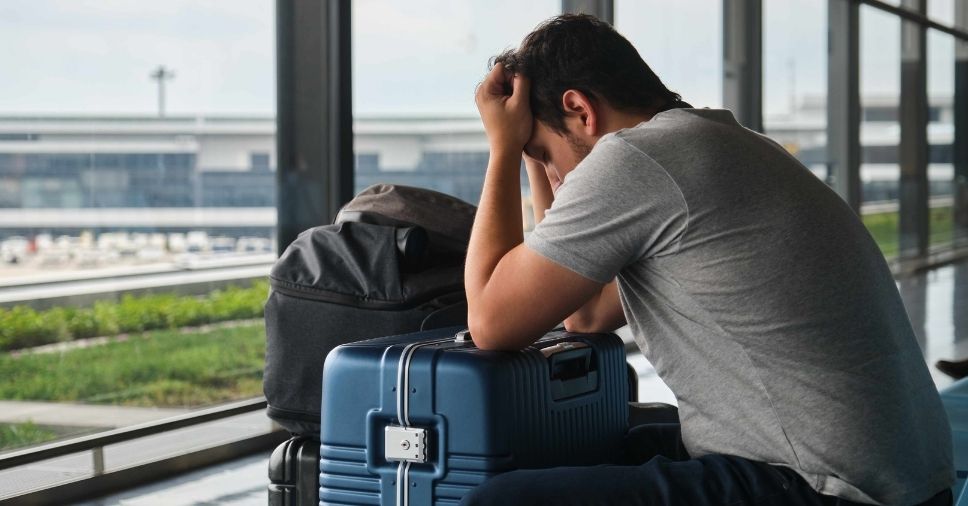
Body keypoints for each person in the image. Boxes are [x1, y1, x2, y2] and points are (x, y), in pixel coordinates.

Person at [461, 13, 953, 506]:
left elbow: (492, 323)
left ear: (580, 109)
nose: (554, 176)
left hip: (827, 489)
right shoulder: (720, 142)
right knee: (604, 443)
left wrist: (503, 147)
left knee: (500, 500)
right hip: (905, 482)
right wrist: (536, 152)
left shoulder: (634, 159)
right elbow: (584, 314)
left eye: (546, 153)